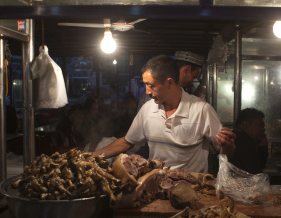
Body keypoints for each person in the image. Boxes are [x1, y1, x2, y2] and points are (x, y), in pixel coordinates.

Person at [92, 55, 235, 173]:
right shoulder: (147, 109)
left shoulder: (202, 110)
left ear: (170, 83)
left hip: (193, 191)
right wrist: (91, 156)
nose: (147, 91)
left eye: (151, 85)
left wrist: (227, 144)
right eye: (145, 85)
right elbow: (126, 142)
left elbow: (225, 153)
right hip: (157, 187)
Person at [137, 52, 203, 110]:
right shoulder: (152, 98)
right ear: (187, 70)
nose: (192, 82)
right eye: (194, 77)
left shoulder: (201, 108)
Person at [229, 108, 268, 174]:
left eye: (263, 126)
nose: (263, 129)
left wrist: (262, 147)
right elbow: (256, 172)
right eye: (259, 125)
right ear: (245, 124)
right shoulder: (244, 141)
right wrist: (263, 148)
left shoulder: (235, 135)